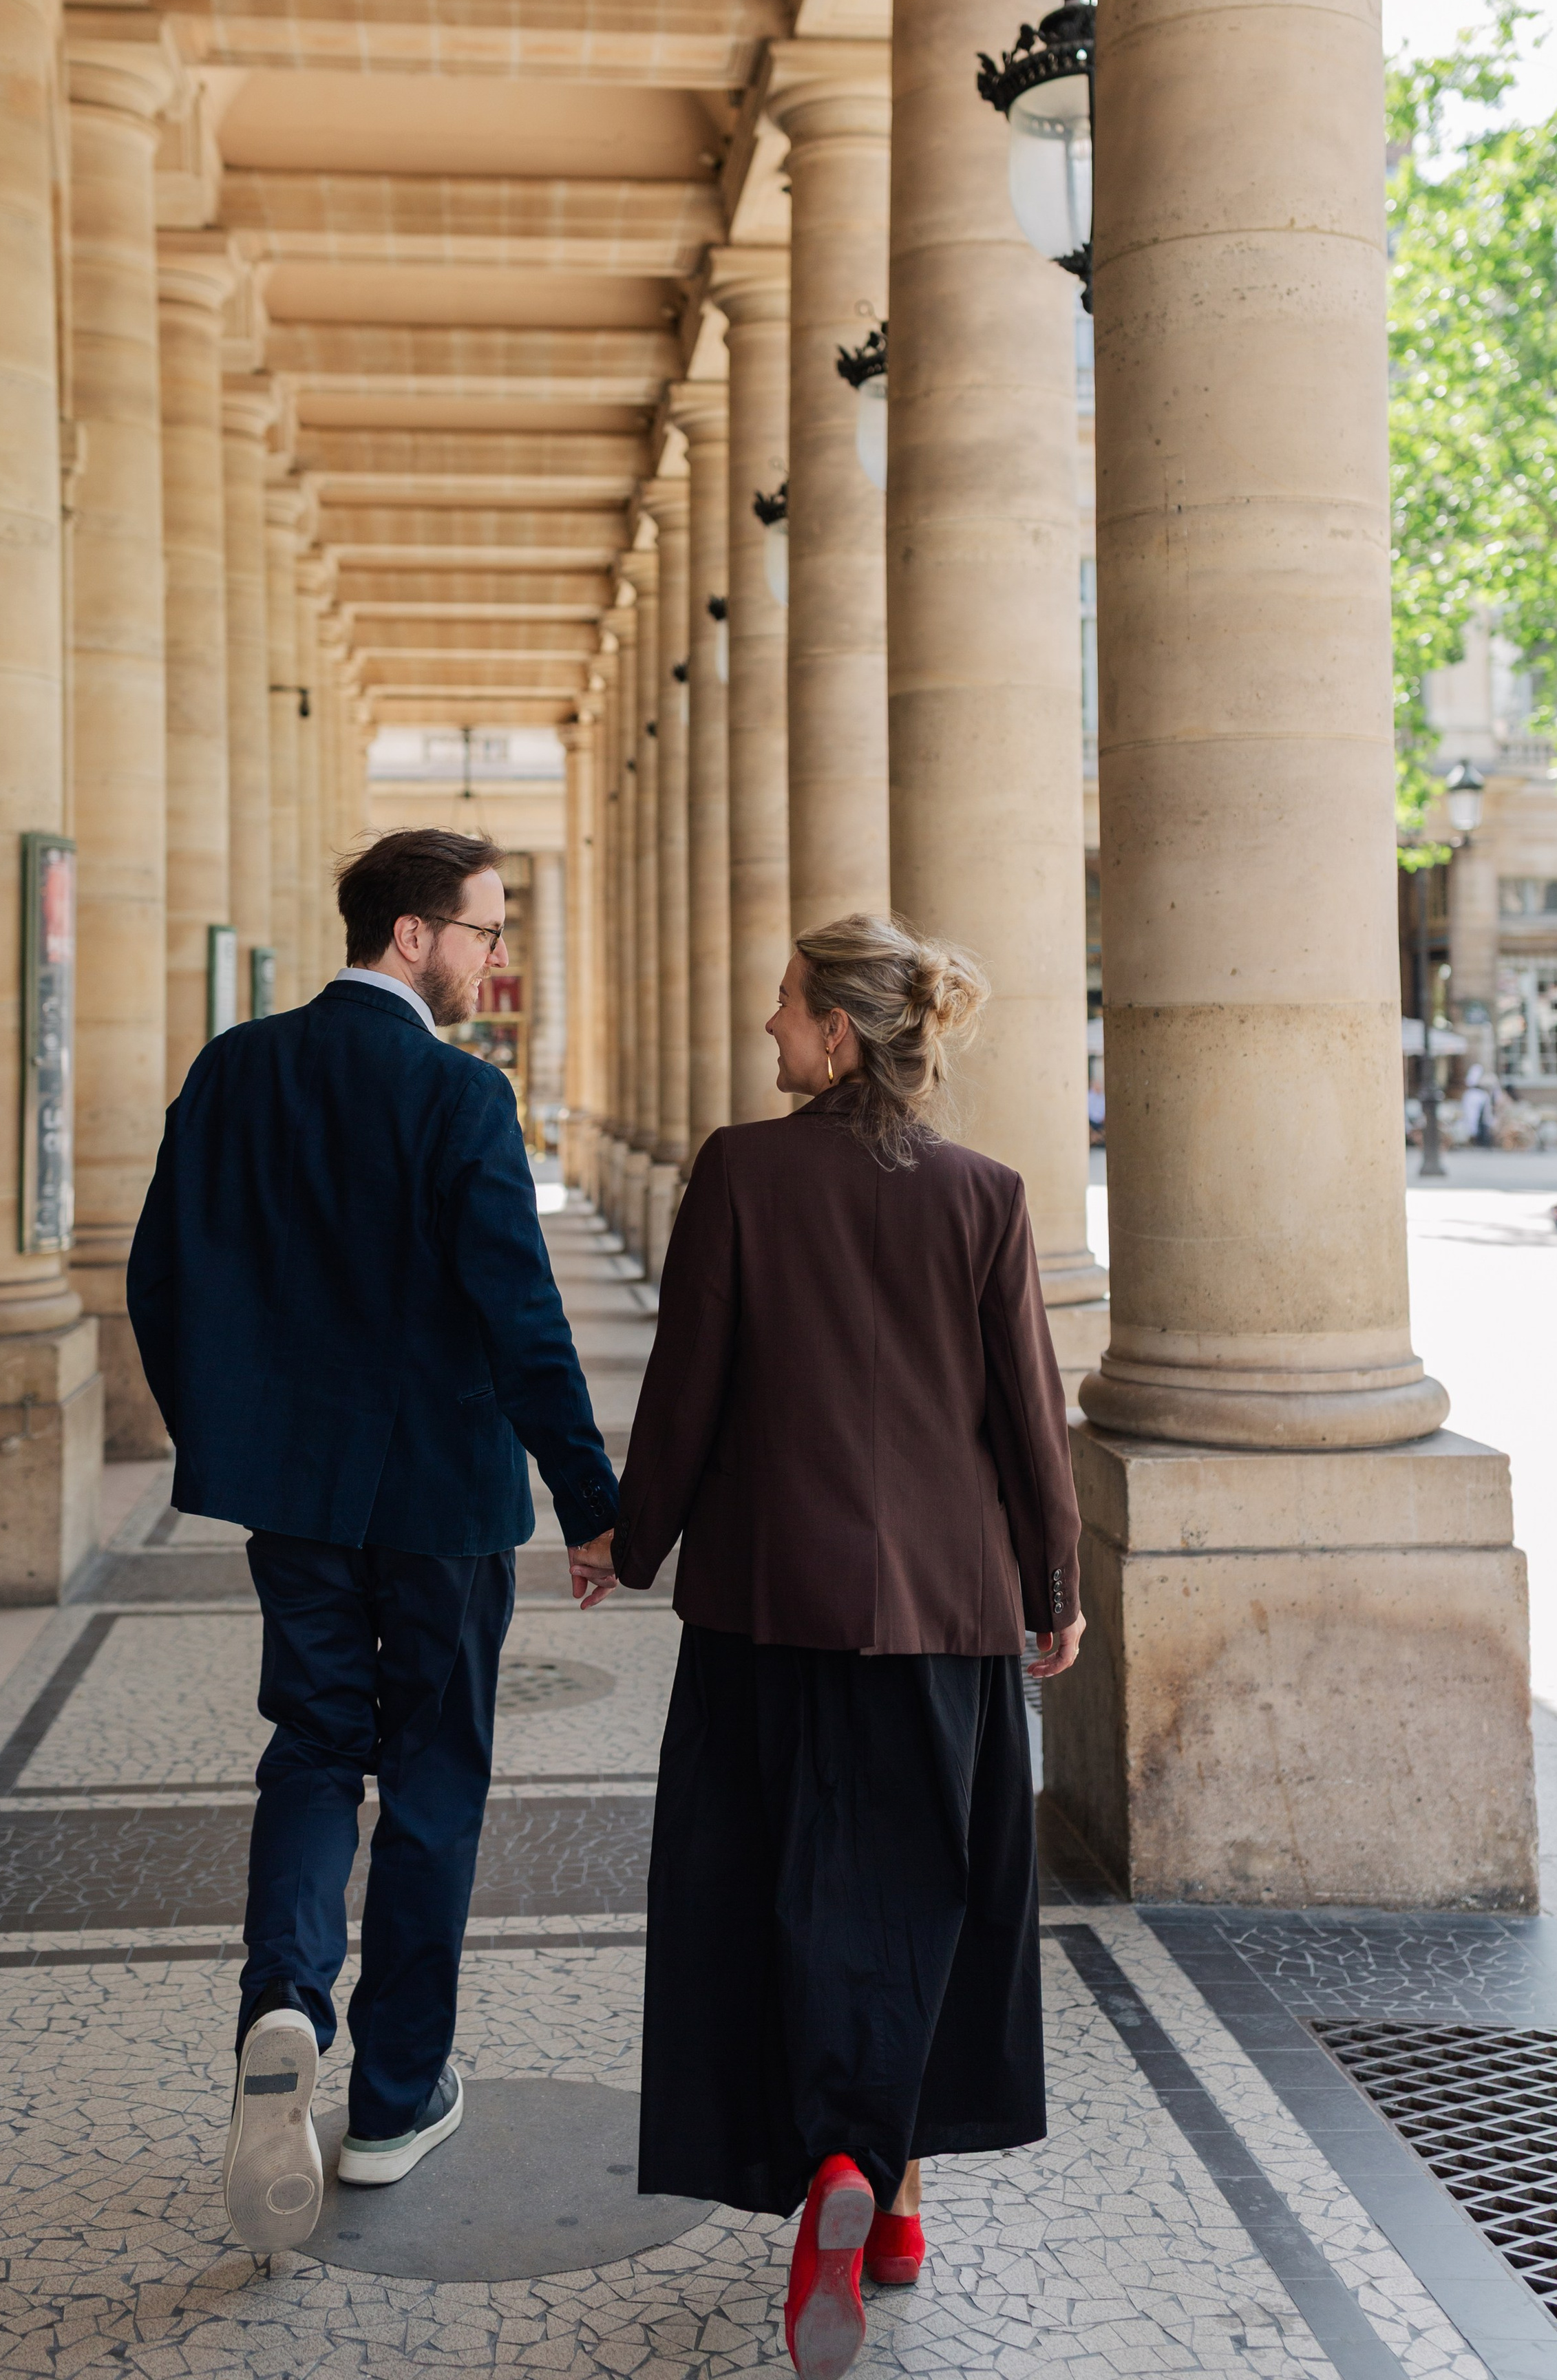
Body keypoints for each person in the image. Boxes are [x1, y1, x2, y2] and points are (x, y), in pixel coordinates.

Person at [571, 913, 1084, 2380]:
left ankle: (834, 2173)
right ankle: (892, 2193)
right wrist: (1052, 1586)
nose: (769, 1030)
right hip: (946, 1613)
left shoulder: (739, 1171)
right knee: (927, 1900)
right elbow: (1025, 1419)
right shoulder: (986, 1196)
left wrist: (633, 1536)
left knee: (772, 1891)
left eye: (788, 1009)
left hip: (763, 1609)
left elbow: (685, 1390)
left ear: (841, 1035)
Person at [128, 828, 619, 2251]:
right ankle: (395, 2099)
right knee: (431, 1776)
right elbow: (519, 1317)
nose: (494, 958)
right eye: (484, 931)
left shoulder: (236, 1070)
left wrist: (229, 1438)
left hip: (296, 1496)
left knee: (310, 1743)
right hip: (441, 1500)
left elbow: (161, 1277)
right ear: (412, 935)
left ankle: (282, 2000)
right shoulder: (459, 1095)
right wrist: (588, 1499)